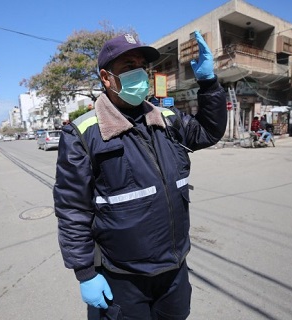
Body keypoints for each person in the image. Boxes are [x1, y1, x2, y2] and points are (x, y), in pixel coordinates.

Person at [53, 31, 227, 320]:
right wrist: (85, 273)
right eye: (128, 67)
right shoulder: (82, 134)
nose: (139, 74)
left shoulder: (167, 120)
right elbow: (72, 210)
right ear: (107, 78)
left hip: (174, 270)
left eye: (141, 66)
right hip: (122, 278)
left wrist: (209, 83)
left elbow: (209, 131)